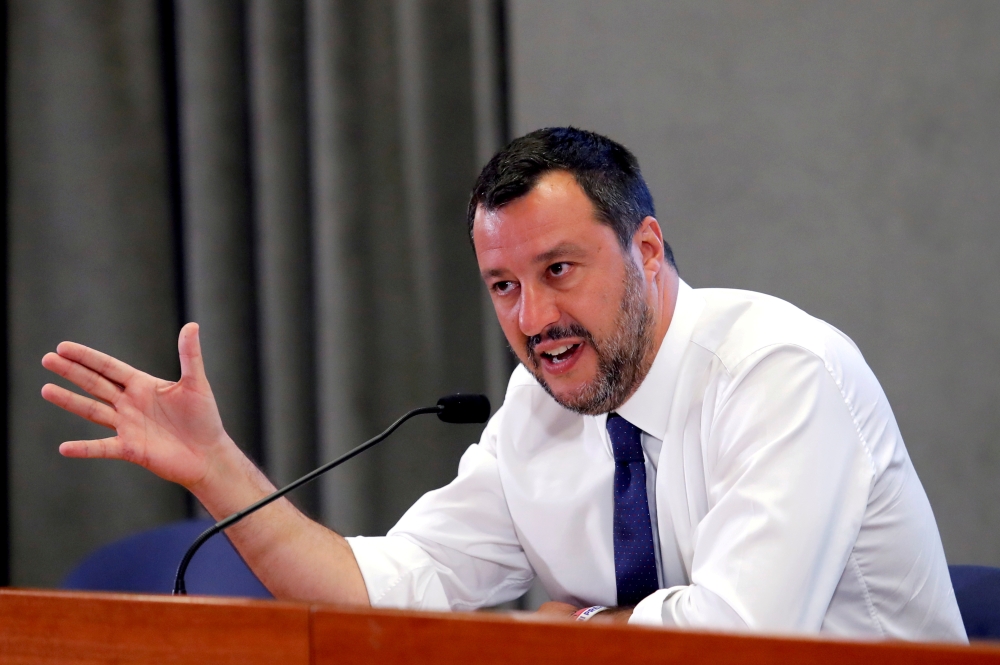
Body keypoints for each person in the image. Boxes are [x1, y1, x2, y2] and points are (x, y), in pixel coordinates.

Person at [41, 127, 966, 641]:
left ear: (646, 250)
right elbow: (386, 589)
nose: (531, 319)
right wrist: (217, 470)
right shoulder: (543, 405)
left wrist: (567, 627)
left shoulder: (780, 372)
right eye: (504, 286)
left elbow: (732, 641)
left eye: (559, 270)